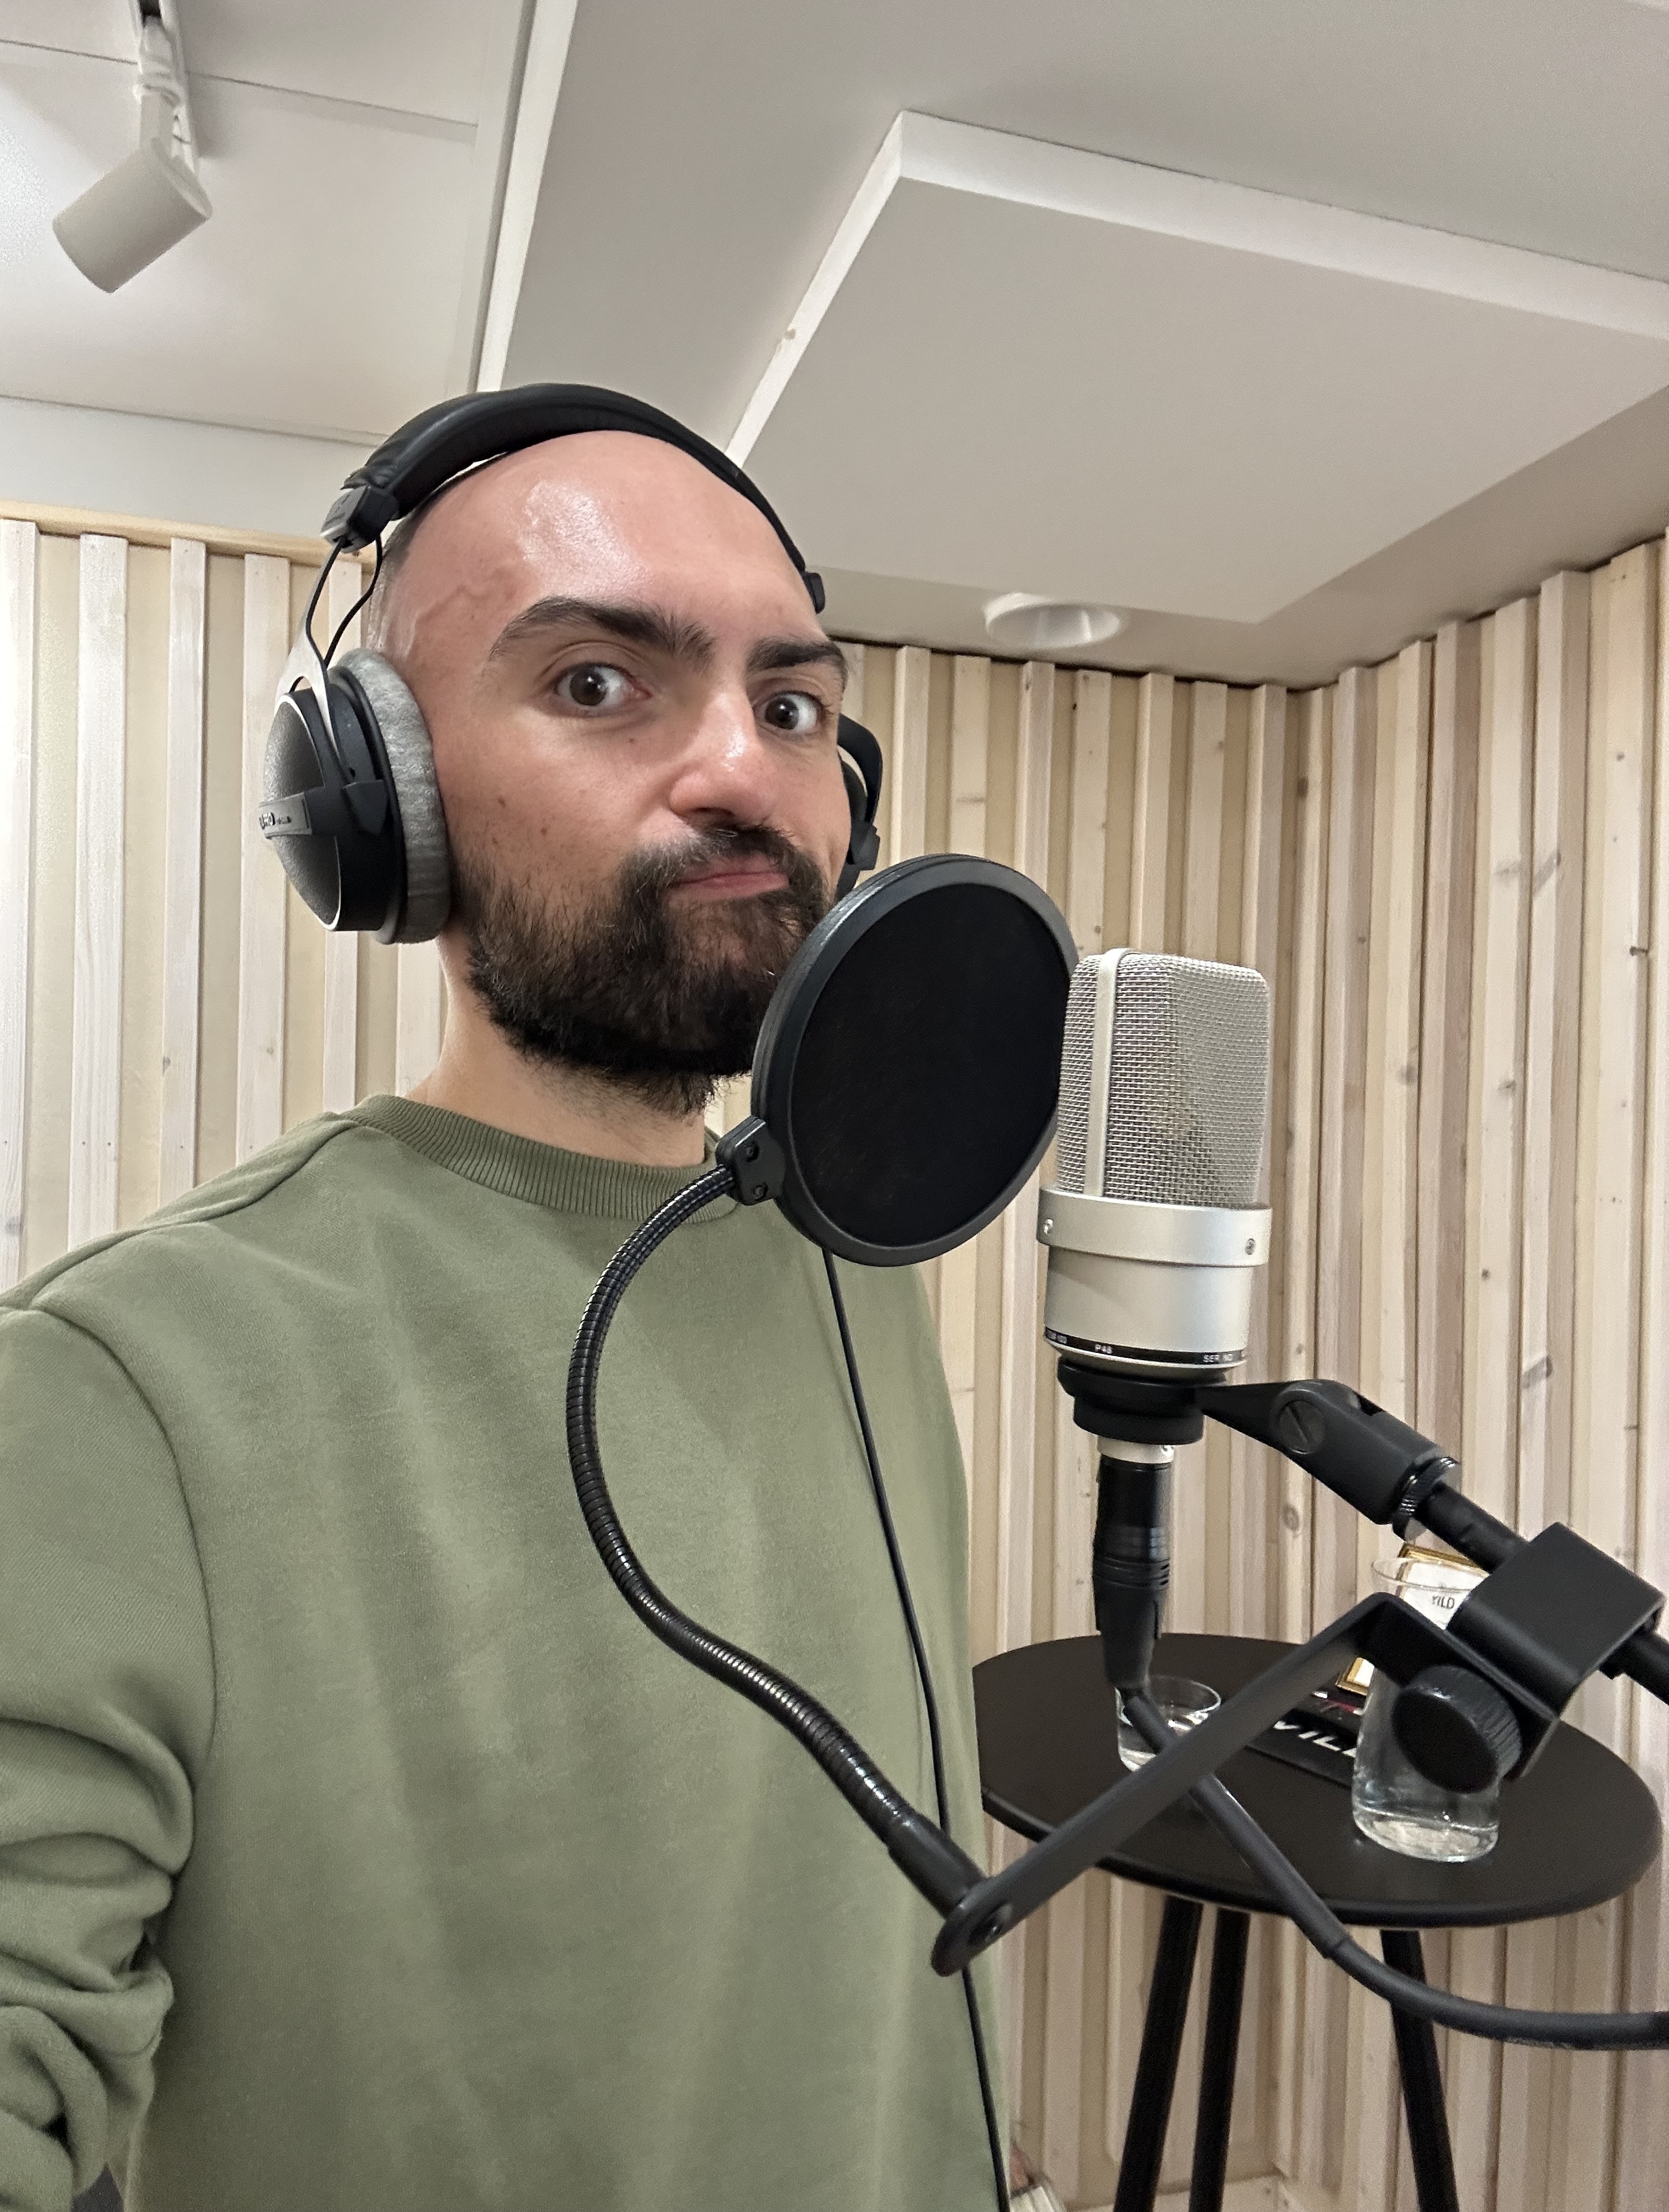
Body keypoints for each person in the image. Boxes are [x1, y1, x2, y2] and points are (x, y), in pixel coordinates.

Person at [0, 411, 1010, 2212]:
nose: (739, 769)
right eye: (605, 680)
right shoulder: (122, 1386)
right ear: (378, 802)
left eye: (791, 707)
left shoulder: (856, 1264)